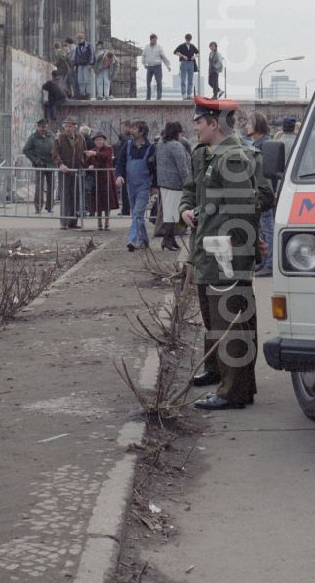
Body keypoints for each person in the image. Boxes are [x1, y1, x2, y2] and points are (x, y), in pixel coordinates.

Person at [180, 97, 274, 410]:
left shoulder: (232, 156)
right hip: (214, 247)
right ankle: (233, 383)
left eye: (199, 122)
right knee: (224, 318)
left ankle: (232, 392)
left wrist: (244, 246)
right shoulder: (216, 153)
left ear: (214, 124)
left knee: (231, 320)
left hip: (225, 252)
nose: (194, 127)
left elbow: (245, 207)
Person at [115, 120, 156, 251]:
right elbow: (120, 163)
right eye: (131, 128)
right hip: (130, 184)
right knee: (136, 215)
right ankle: (144, 240)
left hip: (144, 185)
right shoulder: (127, 145)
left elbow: (155, 169)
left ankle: (132, 240)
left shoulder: (151, 148)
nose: (131, 131)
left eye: (135, 129)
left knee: (138, 214)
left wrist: (154, 186)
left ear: (142, 132)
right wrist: (119, 176)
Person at [246, 112, 276, 276]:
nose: (246, 126)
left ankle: (269, 265)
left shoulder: (264, 145)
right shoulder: (258, 144)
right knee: (263, 230)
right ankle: (265, 262)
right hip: (261, 193)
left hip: (264, 193)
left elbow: (269, 173)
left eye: (249, 123)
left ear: (257, 124)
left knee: (267, 229)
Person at [155, 121, 190, 251]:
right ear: (177, 132)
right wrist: (188, 183)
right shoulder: (176, 146)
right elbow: (183, 168)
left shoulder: (161, 144)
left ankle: (170, 239)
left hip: (164, 182)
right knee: (173, 213)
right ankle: (167, 239)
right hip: (175, 183)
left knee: (170, 212)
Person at [54, 116, 85, 229]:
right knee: (65, 196)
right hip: (65, 171)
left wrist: (85, 163)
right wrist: (60, 164)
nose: (67, 128)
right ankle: (64, 221)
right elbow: (55, 153)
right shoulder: (60, 137)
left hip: (76, 171)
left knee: (75, 196)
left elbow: (83, 153)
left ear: (74, 127)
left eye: (70, 126)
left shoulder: (80, 138)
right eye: (66, 126)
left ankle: (73, 221)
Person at [85, 133, 118, 230]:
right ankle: (99, 223)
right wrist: (88, 166)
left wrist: (94, 154)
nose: (98, 141)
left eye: (100, 139)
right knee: (97, 202)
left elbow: (106, 157)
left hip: (107, 179)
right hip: (97, 180)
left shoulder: (108, 149)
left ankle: (107, 223)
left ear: (104, 140)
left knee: (107, 201)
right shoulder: (93, 151)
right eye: (96, 140)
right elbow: (87, 162)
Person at [23, 119, 55, 214]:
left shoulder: (51, 136)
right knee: (39, 186)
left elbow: (56, 146)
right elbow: (26, 150)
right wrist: (35, 159)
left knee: (51, 186)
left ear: (47, 127)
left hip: (50, 164)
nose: (43, 129)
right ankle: (38, 207)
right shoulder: (33, 138)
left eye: (45, 127)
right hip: (40, 165)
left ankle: (50, 206)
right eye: (41, 127)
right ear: (38, 127)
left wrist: (54, 152)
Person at [112, 121, 133, 216]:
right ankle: (128, 209)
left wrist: (115, 161)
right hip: (130, 168)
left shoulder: (125, 140)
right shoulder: (131, 139)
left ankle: (126, 210)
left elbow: (121, 155)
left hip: (125, 168)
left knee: (125, 191)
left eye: (124, 127)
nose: (123, 129)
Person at [141, 33, 171, 100]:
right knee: (148, 82)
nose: (155, 41)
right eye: (154, 40)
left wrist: (168, 65)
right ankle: (148, 97)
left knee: (159, 82)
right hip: (149, 66)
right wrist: (144, 63)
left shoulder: (159, 47)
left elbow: (163, 57)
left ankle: (159, 97)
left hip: (157, 66)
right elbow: (143, 55)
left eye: (156, 40)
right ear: (151, 40)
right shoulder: (146, 47)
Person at [173, 33, 200, 98]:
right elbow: (175, 52)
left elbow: (198, 53)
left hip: (191, 63)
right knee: (183, 80)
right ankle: (184, 94)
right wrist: (182, 56)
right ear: (186, 39)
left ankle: (189, 94)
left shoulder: (192, 46)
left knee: (190, 80)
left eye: (189, 39)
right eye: (187, 39)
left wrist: (195, 56)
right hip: (184, 63)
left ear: (191, 39)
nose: (188, 40)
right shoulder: (181, 46)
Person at [71, 32, 95, 99]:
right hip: (80, 65)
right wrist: (75, 65)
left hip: (87, 65)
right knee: (80, 80)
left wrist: (91, 63)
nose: (78, 41)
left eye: (79, 39)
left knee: (87, 80)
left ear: (82, 39)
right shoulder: (77, 47)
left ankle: (88, 94)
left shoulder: (88, 46)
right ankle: (82, 94)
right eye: (77, 39)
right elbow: (76, 56)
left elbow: (92, 55)